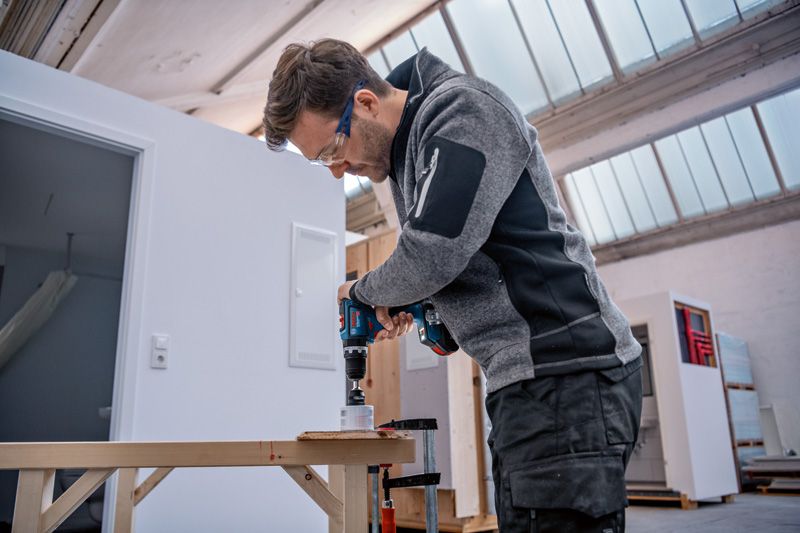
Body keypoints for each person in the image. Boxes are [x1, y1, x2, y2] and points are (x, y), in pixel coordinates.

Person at [263, 39, 643, 533]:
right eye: (322, 161)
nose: (337, 170)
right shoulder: (407, 153)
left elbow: (434, 252)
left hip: (564, 369)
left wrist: (362, 293)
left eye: (334, 149)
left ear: (366, 103)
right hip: (531, 380)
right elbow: (471, 253)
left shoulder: (461, 111)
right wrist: (419, 297)